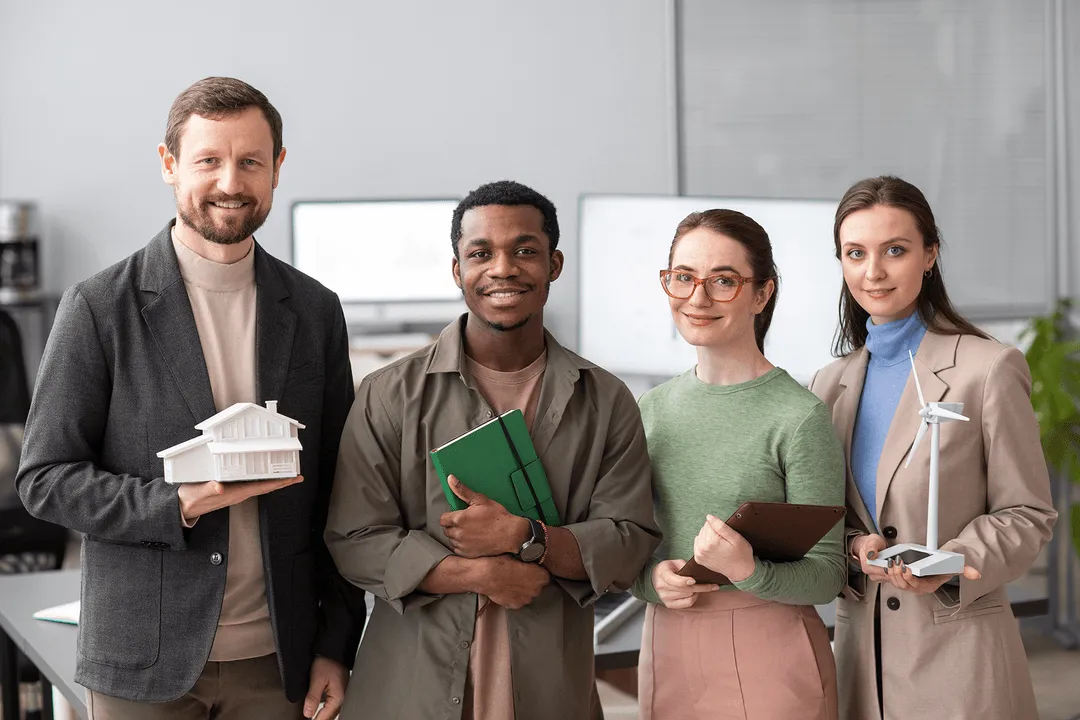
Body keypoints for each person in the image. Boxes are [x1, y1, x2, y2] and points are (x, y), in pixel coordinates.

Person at [16, 77, 364, 720]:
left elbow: (340, 492)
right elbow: (45, 479)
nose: (231, 180)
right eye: (209, 160)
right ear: (169, 164)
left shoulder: (315, 311)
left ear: (277, 169)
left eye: (251, 161)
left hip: (279, 661)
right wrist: (176, 503)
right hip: (142, 662)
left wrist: (336, 645)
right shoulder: (99, 307)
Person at [324, 180, 661, 720]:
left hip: (550, 689)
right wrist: (478, 573)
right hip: (410, 691)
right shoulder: (388, 394)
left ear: (555, 264)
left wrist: (525, 537)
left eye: (525, 251)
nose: (502, 268)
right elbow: (354, 539)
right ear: (458, 271)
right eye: (480, 253)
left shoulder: (606, 400)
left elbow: (628, 542)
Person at [809, 175, 1058, 720]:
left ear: (930, 254)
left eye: (894, 250)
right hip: (861, 665)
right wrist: (854, 549)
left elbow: (1028, 512)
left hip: (960, 662)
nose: (873, 272)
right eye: (856, 253)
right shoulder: (828, 385)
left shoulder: (986, 368)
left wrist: (954, 562)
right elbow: (823, 518)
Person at [630, 209, 845, 720]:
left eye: (722, 280)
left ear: (762, 293)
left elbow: (828, 574)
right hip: (666, 644)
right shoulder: (650, 410)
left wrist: (747, 570)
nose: (697, 299)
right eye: (683, 278)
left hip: (769, 649)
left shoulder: (799, 417)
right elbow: (629, 544)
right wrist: (650, 580)